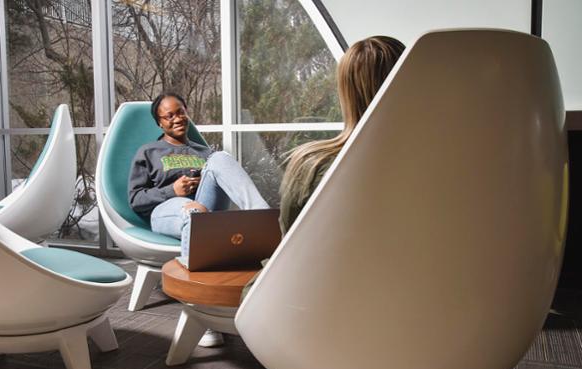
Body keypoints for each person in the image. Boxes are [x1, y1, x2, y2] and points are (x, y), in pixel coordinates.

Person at [241, 36, 406, 301]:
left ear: (347, 92)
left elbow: (291, 245)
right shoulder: (449, 163)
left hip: (326, 304)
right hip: (420, 303)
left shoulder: (313, 163)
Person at [129, 92, 269, 347]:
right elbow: (136, 199)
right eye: (169, 116)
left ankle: (264, 219)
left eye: (180, 111)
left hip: (204, 208)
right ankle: (201, 311)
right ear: (160, 122)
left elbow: (220, 185)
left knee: (221, 158)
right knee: (191, 213)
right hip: (166, 210)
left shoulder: (203, 151)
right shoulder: (149, 151)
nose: (177, 118)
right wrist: (173, 190)